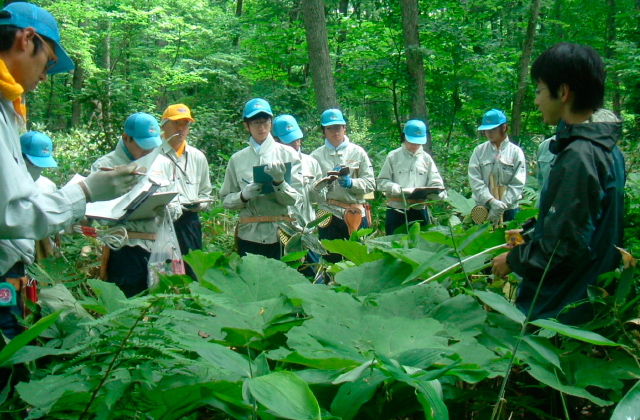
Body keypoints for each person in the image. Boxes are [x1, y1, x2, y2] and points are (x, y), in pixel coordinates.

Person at [0, 3, 137, 338]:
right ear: (26, 39)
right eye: (47, 61)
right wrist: (86, 192)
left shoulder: (8, 109)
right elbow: (11, 214)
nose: (45, 75)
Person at [492, 43, 625, 325]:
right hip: (588, 296)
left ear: (563, 92)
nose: (537, 100)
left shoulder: (580, 155)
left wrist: (513, 261)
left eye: (540, 90)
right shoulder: (606, 147)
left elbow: (564, 247)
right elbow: (577, 219)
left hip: (563, 308)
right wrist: (531, 231)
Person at [91, 113, 181, 297]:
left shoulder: (163, 163)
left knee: (161, 305)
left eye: (152, 147)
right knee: (128, 307)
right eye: (143, 146)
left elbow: (178, 206)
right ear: (126, 138)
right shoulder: (104, 166)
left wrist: (167, 208)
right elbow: (96, 214)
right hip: (124, 249)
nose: (148, 152)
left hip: (160, 248)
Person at [220, 98, 303, 259]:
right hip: (249, 234)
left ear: (271, 123)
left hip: (282, 233)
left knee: (282, 281)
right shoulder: (237, 159)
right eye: (256, 122)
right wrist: (243, 195)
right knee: (252, 282)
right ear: (247, 125)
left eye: (265, 122)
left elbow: (296, 198)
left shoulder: (288, 154)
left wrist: (280, 182)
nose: (262, 127)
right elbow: (225, 199)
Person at [310, 108, 375, 262]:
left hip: (355, 211)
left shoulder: (358, 153)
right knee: (329, 257)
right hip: (327, 211)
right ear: (323, 131)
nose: (335, 132)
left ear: (345, 128)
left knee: (358, 258)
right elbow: (311, 191)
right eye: (330, 128)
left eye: (338, 127)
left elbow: (371, 184)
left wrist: (351, 183)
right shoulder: (315, 156)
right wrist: (324, 183)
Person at [159, 104, 212, 278]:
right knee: (167, 278)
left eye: (186, 124)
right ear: (164, 125)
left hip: (190, 224)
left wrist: (201, 205)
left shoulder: (197, 157)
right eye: (176, 123)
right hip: (162, 226)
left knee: (193, 275)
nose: (181, 128)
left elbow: (206, 192)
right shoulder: (153, 155)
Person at [273, 114, 323, 276]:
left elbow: (318, 199)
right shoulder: (271, 164)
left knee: (313, 277)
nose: (296, 144)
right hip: (281, 231)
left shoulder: (311, 163)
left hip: (306, 230)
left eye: (297, 139)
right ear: (276, 140)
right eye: (289, 140)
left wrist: (321, 187)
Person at [377, 120, 447, 235]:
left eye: (418, 142)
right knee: (394, 246)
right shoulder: (393, 156)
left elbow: (437, 184)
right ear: (404, 137)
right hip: (396, 210)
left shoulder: (426, 159)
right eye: (411, 142)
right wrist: (393, 187)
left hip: (419, 210)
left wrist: (438, 193)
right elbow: (381, 182)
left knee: (420, 247)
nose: (414, 145)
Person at [468, 109, 526, 225]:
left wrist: (502, 204)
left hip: (509, 209)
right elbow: (475, 180)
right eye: (486, 130)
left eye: (493, 129)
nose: (489, 133)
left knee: (510, 242)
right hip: (484, 209)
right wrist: (491, 201)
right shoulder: (479, 151)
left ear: (503, 127)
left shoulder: (516, 152)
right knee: (484, 242)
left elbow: (517, 183)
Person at [21, 131, 59, 260]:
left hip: (41, 258)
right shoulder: (7, 185)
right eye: (34, 164)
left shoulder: (48, 186)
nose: (38, 169)